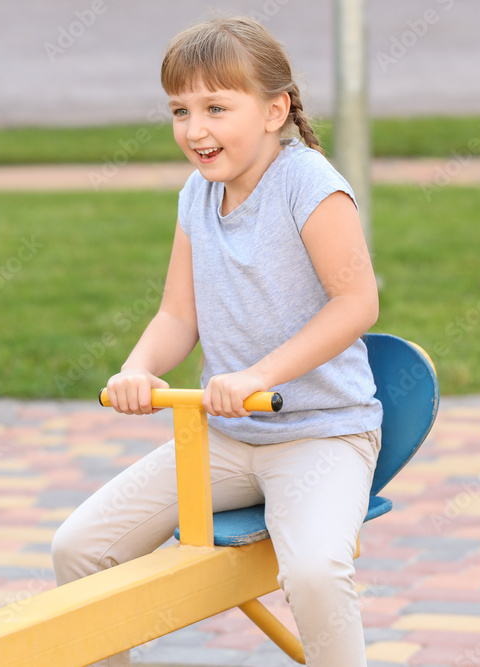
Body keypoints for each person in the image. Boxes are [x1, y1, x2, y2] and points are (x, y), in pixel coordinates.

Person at [52, 16, 382, 667]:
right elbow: (178, 316)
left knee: (314, 571)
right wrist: (139, 366)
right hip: (229, 437)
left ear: (273, 109)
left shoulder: (307, 182)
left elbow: (357, 302)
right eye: (180, 110)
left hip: (321, 433)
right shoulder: (197, 196)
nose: (194, 129)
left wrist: (258, 374)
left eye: (215, 107)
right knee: (79, 547)